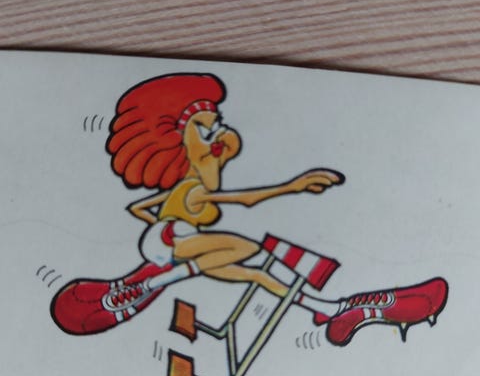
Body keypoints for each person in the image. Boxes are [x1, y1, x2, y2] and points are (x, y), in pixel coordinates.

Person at [51, 73, 448, 345]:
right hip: (172, 241)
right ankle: (153, 283)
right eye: (205, 129)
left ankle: (329, 311)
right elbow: (243, 199)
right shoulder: (194, 189)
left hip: (169, 239)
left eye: (215, 126)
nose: (216, 136)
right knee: (250, 249)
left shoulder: (187, 183)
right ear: (180, 138)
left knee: (255, 272)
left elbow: (140, 207)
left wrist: (160, 219)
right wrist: (294, 186)